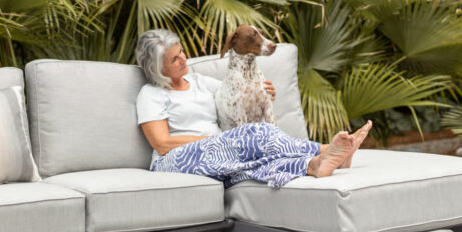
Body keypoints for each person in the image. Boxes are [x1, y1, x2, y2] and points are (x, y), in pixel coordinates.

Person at [134, 29, 371, 188]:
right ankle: (328, 149)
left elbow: (239, 92)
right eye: (174, 59)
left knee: (252, 167)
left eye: (181, 52)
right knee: (256, 132)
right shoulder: (152, 94)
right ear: (157, 68)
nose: (184, 59)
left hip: (218, 152)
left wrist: (264, 89)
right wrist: (215, 140)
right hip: (174, 161)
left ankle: (315, 165)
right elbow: (162, 144)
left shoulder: (198, 81)